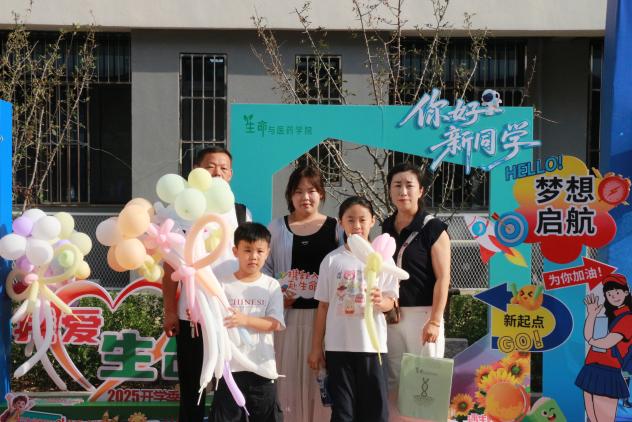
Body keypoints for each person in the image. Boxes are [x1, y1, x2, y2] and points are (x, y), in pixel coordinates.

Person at [162, 146, 251, 421]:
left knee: (230, 385)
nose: (217, 172)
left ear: (231, 174)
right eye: (211, 166)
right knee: (192, 387)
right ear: (197, 172)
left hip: (229, 313)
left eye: (224, 168)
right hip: (192, 314)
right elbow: (170, 266)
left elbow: (249, 261)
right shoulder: (181, 210)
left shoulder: (240, 212)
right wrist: (169, 310)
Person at [308, 196, 398, 422]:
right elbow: (323, 306)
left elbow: (391, 301)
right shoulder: (332, 260)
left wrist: (381, 302)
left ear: (373, 221)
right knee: (343, 412)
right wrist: (317, 347)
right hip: (338, 348)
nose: (357, 225)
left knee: (375, 412)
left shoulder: (384, 259)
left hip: (372, 348)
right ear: (341, 223)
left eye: (362, 219)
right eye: (350, 220)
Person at [263, 165, 340, 421]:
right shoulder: (276, 228)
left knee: (321, 379)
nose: (305, 197)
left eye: (312, 190)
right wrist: (277, 295)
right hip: (287, 319)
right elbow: (263, 269)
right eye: (298, 191)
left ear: (321, 194)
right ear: (290, 195)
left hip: (326, 319)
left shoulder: (336, 228)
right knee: (288, 378)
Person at [381, 162, 451, 421]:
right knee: (395, 379)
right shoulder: (387, 227)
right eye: (397, 185)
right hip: (392, 315)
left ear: (421, 190)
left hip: (424, 316)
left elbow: (443, 278)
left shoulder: (434, 228)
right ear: (390, 190)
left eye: (409, 185)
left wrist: (435, 320)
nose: (403, 191)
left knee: (426, 380)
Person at [209, 222, 285, 422]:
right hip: (229, 371)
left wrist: (244, 320)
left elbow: (275, 323)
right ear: (235, 251)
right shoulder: (222, 285)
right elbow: (210, 318)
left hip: (262, 370)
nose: (253, 256)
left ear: (268, 253)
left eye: (259, 251)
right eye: (247, 250)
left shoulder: (271, 286)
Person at [576, 274, 632, 422]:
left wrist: (592, 340)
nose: (614, 297)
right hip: (591, 367)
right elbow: (588, 336)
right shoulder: (609, 316)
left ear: (626, 292)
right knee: (592, 417)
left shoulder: (628, 318)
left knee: (603, 418)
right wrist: (592, 314)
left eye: (617, 292)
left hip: (608, 371)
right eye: (609, 294)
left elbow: (607, 342)